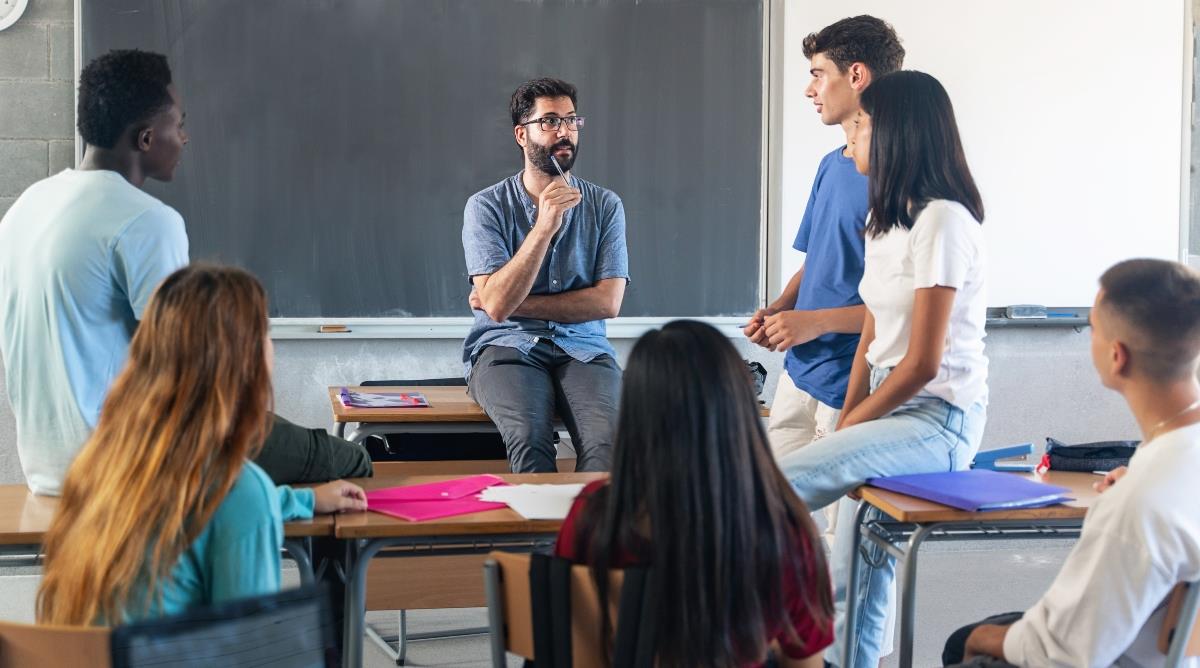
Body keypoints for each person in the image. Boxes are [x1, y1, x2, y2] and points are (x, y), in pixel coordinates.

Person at [0, 49, 371, 496]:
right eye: (179, 125)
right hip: (130, 464)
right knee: (352, 457)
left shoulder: (26, 207)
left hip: (47, 468)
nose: (185, 137)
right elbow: (191, 375)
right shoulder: (145, 221)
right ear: (145, 139)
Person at [777, 70, 989, 668]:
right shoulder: (886, 221)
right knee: (853, 579)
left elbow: (921, 364)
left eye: (862, 125)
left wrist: (850, 427)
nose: (852, 137)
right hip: (888, 417)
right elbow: (873, 340)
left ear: (899, 136)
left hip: (937, 421)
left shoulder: (943, 221)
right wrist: (851, 415)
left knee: (771, 489)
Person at [36, 264, 366, 625]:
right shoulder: (239, 491)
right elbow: (249, 651)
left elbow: (201, 503)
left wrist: (305, 500)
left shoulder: (99, 467)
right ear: (244, 360)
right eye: (265, 332)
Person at [944, 259, 1200, 668]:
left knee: (965, 642)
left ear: (1117, 356)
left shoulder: (1135, 505)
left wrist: (982, 638)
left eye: (1094, 329)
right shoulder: (1166, 467)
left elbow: (1063, 653)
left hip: (1114, 656)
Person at [555, 320, 833, 668]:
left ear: (634, 412)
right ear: (738, 409)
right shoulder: (782, 530)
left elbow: (574, 648)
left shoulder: (594, 515)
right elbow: (803, 661)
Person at [745, 14, 904, 464]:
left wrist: (815, 322)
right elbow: (818, 261)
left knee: (838, 531)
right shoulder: (831, 165)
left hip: (851, 382)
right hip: (800, 370)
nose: (809, 90)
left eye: (818, 75)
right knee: (774, 510)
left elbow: (896, 307)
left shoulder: (897, 178)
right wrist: (781, 309)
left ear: (856, 76)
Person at [462, 77, 628, 474]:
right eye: (550, 121)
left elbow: (607, 303)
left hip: (584, 348)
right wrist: (543, 227)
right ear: (522, 134)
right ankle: (540, 538)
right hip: (507, 348)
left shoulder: (605, 205)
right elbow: (499, 310)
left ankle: (587, 536)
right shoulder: (485, 207)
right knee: (529, 439)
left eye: (571, 120)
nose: (564, 131)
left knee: (610, 444)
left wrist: (505, 300)